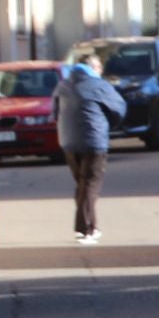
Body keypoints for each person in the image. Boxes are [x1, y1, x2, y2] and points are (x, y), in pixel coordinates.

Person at [54, 51, 127, 244]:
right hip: (94, 141)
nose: (101, 71)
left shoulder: (64, 85)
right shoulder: (98, 85)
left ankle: (89, 227)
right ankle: (85, 229)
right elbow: (119, 108)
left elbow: (56, 112)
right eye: (100, 67)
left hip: (68, 142)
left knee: (83, 185)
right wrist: (110, 125)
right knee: (90, 185)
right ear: (94, 68)